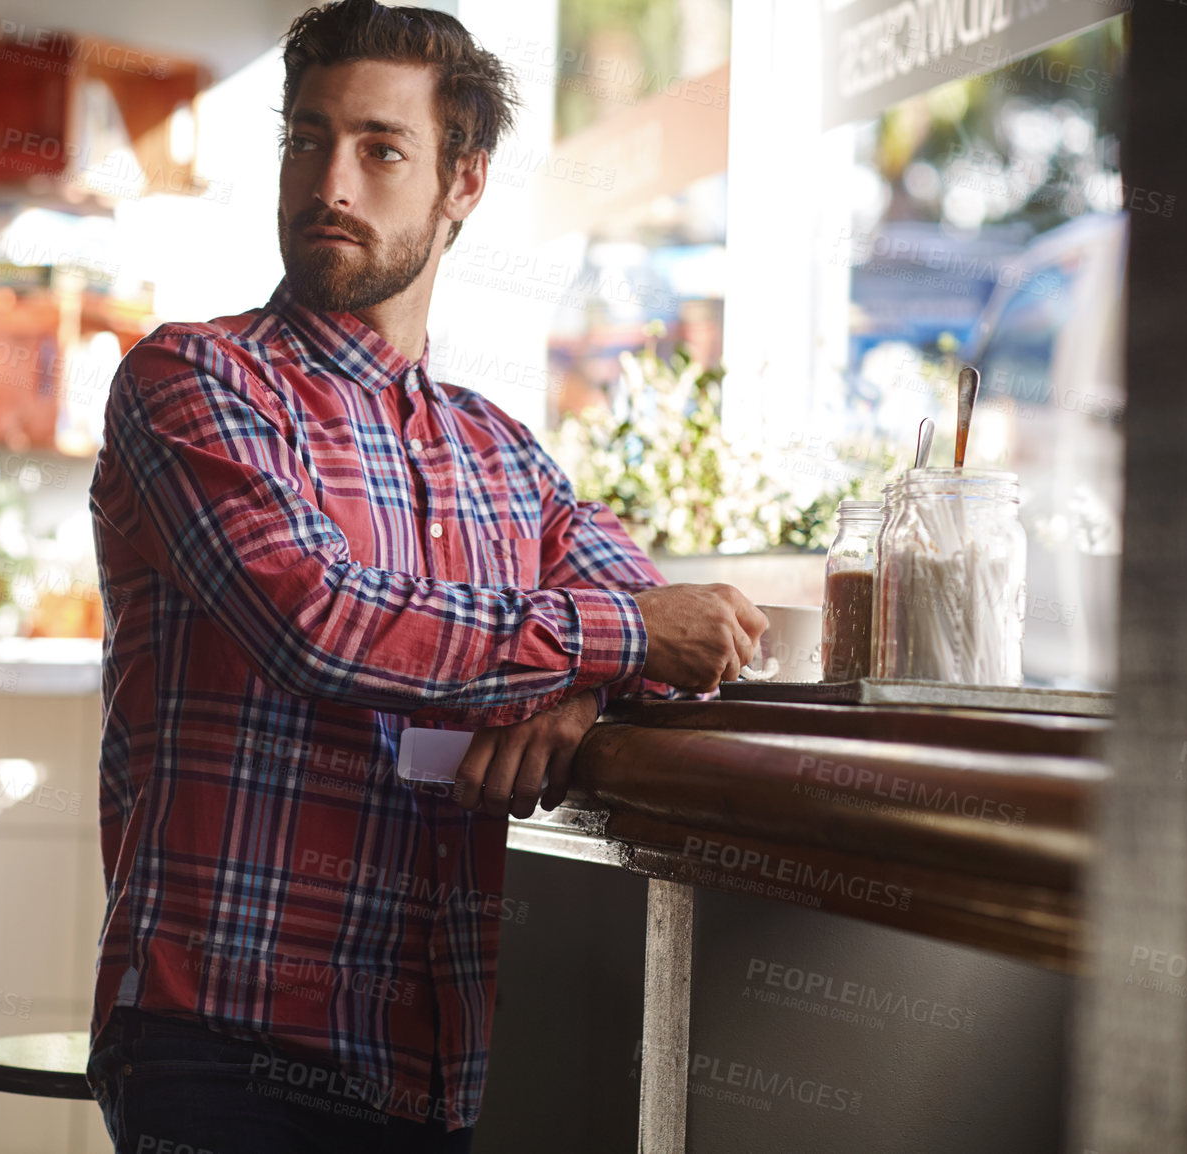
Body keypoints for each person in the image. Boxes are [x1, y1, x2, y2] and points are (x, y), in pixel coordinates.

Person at [83, 2, 767, 1150]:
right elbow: (322, 619)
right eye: (308, 138)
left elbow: (682, 638)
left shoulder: (502, 452)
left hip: (425, 1057)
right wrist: (612, 643)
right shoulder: (194, 379)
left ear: (465, 182)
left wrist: (577, 687)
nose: (329, 180)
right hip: (218, 1039)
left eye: (379, 147)